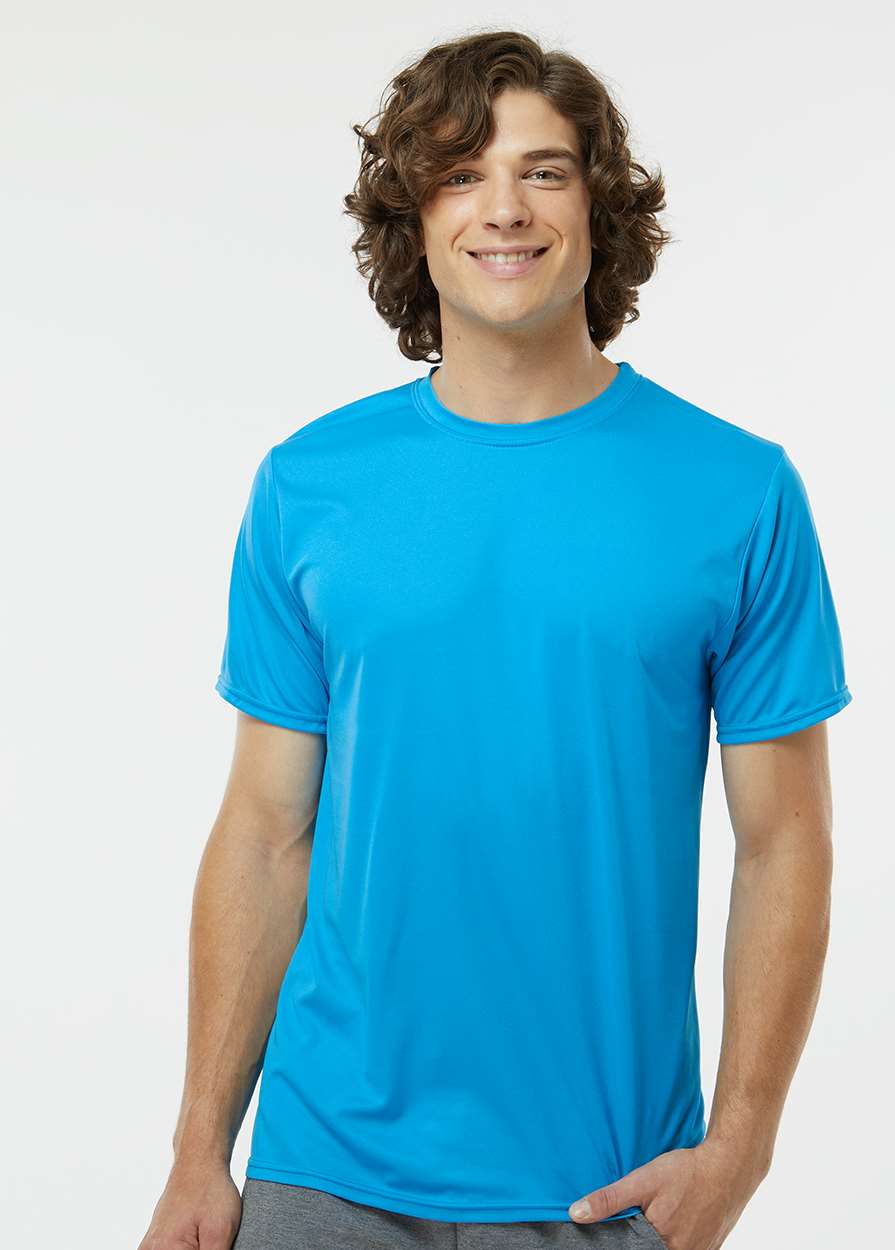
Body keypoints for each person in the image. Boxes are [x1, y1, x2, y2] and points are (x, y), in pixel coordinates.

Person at [138, 28, 853, 1250]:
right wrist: (199, 1150)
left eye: (544, 171)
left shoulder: (737, 492)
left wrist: (738, 1148)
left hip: (606, 1184)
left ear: (596, 207)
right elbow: (264, 830)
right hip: (323, 1173)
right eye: (461, 174)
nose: (504, 208)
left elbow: (784, 842)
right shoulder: (309, 485)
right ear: (412, 220)